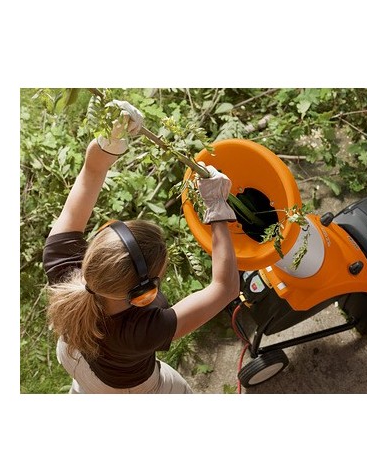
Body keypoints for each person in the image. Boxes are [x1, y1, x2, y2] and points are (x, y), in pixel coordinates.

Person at [43, 99, 239, 394]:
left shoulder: (62, 266)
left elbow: (91, 173)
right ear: (143, 293)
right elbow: (226, 288)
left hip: (73, 357)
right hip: (121, 387)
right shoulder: (142, 330)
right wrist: (217, 206)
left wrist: (110, 139)